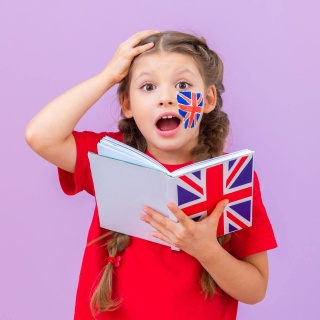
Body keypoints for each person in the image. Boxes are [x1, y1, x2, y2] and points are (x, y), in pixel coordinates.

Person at [25, 30, 277, 320]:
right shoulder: (110, 157)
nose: (166, 98)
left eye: (182, 84)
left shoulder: (232, 178)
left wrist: (207, 250)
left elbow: (255, 289)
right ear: (127, 104)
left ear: (208, 99)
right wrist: (108, 76)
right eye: (148, 87)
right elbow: (40, 135)